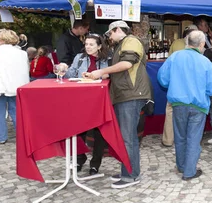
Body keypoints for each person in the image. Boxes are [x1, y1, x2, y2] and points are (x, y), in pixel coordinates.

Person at [83, 21, 152, 189]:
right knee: (127, 138)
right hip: (126, 94)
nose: (109, 37)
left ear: (118, 30)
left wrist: (102, 71)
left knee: (128, 138)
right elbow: (123, 70)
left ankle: (131, 176)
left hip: (130, 95)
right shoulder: (124, 43)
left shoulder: (131, 41)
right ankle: (127, 171)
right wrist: (102, 76)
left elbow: (127, 64)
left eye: (110, 34)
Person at [157, 30, 212, 179]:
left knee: (180, 136)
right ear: (202, 44)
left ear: (187, 42)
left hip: (178, 103)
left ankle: (181, 166)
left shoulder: (175, 57)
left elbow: (162, 79)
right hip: (198, 106)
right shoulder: (205, 62)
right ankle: (189, 172)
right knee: (193, 138)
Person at [61, 34, 110, 175]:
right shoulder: (79, 57)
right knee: (78, 131)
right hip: (80, 99)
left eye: (91, 44)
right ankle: (79, 159)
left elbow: (110, 75)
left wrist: (101, 75)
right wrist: (64, 69)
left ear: (99, 46)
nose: (88, 47)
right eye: (86, 44)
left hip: (98, 100)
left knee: (98, 133)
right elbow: (70, 75)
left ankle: (95, 164)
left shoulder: (107, 59)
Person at [0, 29, 29, 144]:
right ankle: (22, 136)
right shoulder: (22, 54)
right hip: (17, 87)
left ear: (0, 40)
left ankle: (1, 138)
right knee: (17, 112)